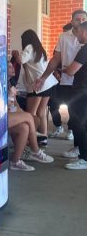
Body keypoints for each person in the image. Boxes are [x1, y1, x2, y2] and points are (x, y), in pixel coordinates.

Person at [35, 9, 87, 154]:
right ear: (72, 21)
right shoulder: (64, 37)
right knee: (74, 116)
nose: (81, 21)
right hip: (67, 82)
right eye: (78, 19)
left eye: (83, 19)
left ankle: (82, 151)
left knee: (81, 118)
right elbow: (55, 60)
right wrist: (43, 77)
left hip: (82, 83)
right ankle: (78, 147)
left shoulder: (85, 38)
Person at [7, 60, 54, 171]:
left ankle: (15, 161)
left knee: (25, 127)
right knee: (28, 117)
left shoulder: (10, 84)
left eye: (12, 66)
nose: (13, 68)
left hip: (10, 116)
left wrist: (19, 112)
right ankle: (35, 150)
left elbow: (16, 106)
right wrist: (10, 97)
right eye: (9, 67)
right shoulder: (0, 83)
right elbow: (2, 106)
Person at [17, 29, 56, 144]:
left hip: (38, 84)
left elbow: (20, 60)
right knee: (41, 112)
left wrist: (15, 54)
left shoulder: (29, 47)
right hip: (48, 83)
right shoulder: (40, 49)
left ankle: (31, 139)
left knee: (31, 113)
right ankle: (43, 138)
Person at [60, 20, 87, 170]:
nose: (76, 37)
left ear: (84, 32)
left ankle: (84, 158)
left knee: (79, 124)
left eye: (78, 33)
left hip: (81, 91)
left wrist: (65, 69)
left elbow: (71, 71)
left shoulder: (84, 50)